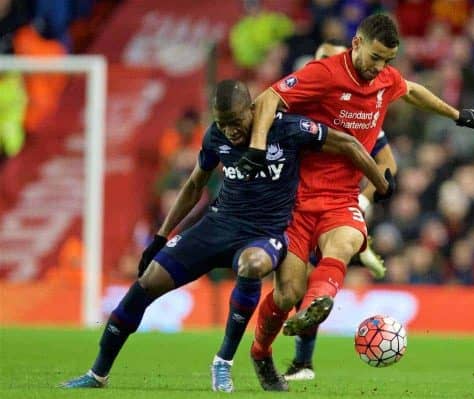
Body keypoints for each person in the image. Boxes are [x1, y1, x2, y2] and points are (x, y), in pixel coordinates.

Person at [59, 79, 390, 392]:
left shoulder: (287, 128)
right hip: (217, 225)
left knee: (252, 264)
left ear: (251, 110)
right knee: (147, 281)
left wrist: (381, 182)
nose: (229, 129)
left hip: (265, 232)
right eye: (222, 121)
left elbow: (347, 143)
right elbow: (193, 186)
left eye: (234, 120)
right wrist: (160, 237)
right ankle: (97, 373)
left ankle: (223, 362)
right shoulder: (215, 136)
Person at [236, 14, 474, 391]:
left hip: (340, 199)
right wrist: (256, 146)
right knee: (287, 293)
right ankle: (261, 352)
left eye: (388, 60)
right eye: (375, 57)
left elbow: (413, 90)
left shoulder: (384, 78)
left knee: (348, 240)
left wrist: (456, 114)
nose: (380, 67)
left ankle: (318, 305)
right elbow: (270, 96)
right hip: (296, 198)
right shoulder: (323, 74)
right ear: (356, 44)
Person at [284, 39, 398, 381]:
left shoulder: (361, 116)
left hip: (332, 206)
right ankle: (297, 361)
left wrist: (362, 203)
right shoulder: (295, 107)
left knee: (310, 285)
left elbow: (388, 164)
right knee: (294, 287)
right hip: (294, 204)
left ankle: (302, 363)